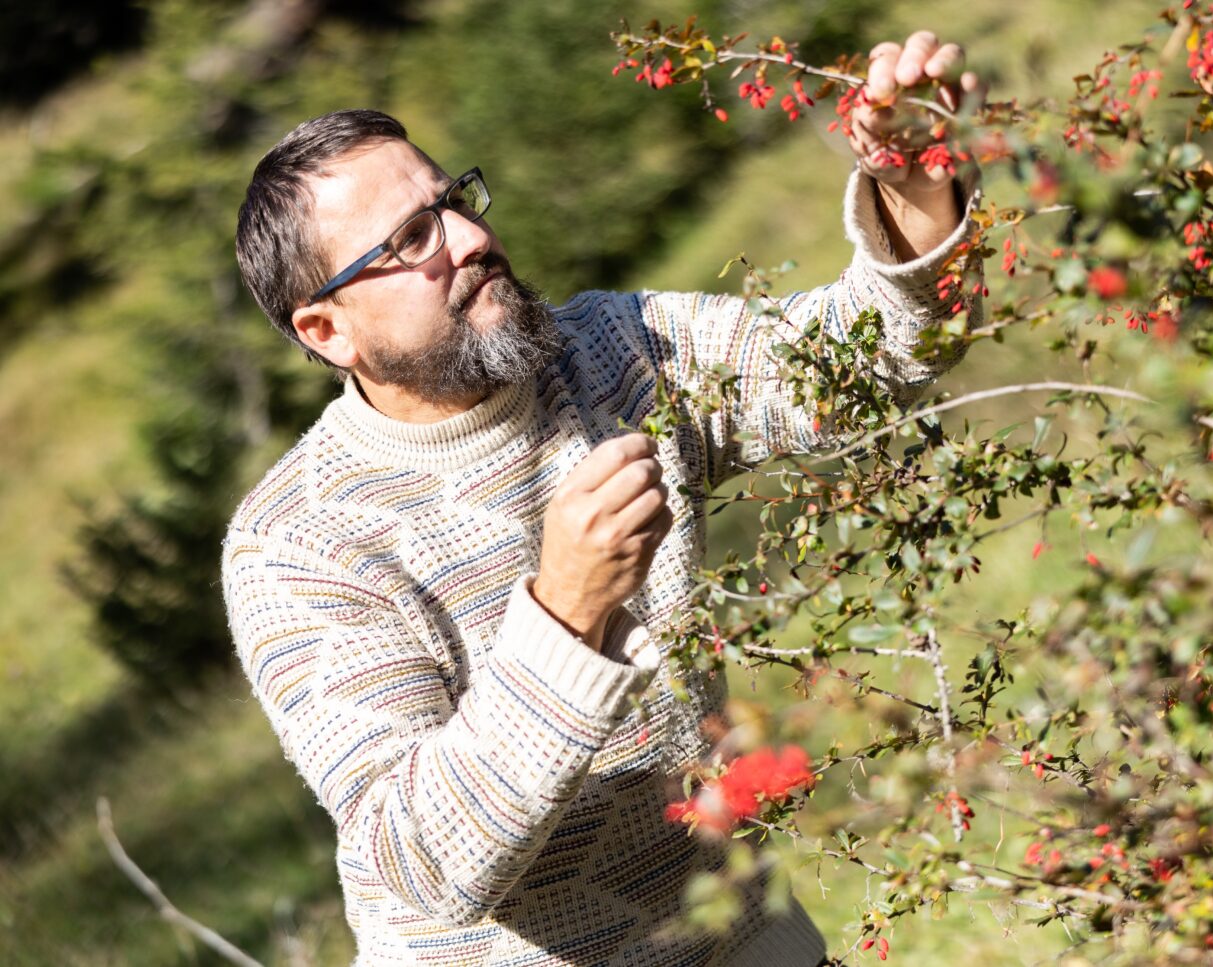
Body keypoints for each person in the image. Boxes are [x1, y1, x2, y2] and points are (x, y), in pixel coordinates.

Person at [224, 30, 982, 967]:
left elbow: (863, 367)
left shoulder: (612, 352)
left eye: (452, 201)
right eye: (412, 239)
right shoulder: (297, 543)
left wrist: (913, 184)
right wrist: (565, 611)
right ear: (326, 327)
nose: (470, 237)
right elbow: (419, 861)